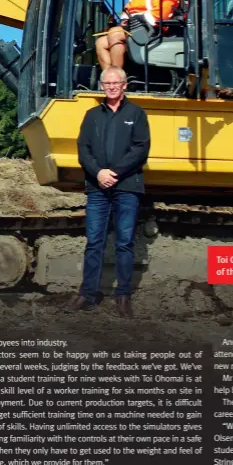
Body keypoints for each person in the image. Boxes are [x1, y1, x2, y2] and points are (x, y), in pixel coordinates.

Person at [67, 66, 151, 317]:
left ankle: (123, 296)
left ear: (125, 85)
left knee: (124, 243)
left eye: (117, 83)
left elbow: (141, 148)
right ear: (102, 86)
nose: (112, 87)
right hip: (97, 187)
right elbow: (83, 149)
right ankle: (87, 294)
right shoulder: (92, 115)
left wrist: (114, 172)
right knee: (94, 242)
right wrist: (99, 173)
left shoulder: (137, 114)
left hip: (127, 186)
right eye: (108, 83)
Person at [95, 0, 180, 71]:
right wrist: (124, 21)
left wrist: (137, 19)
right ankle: (109, 81)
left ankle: (117, 79)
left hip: (153, 30)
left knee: (114, 34)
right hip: (135, 28)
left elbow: (161, 14)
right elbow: (127, 10)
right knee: (100, 43)